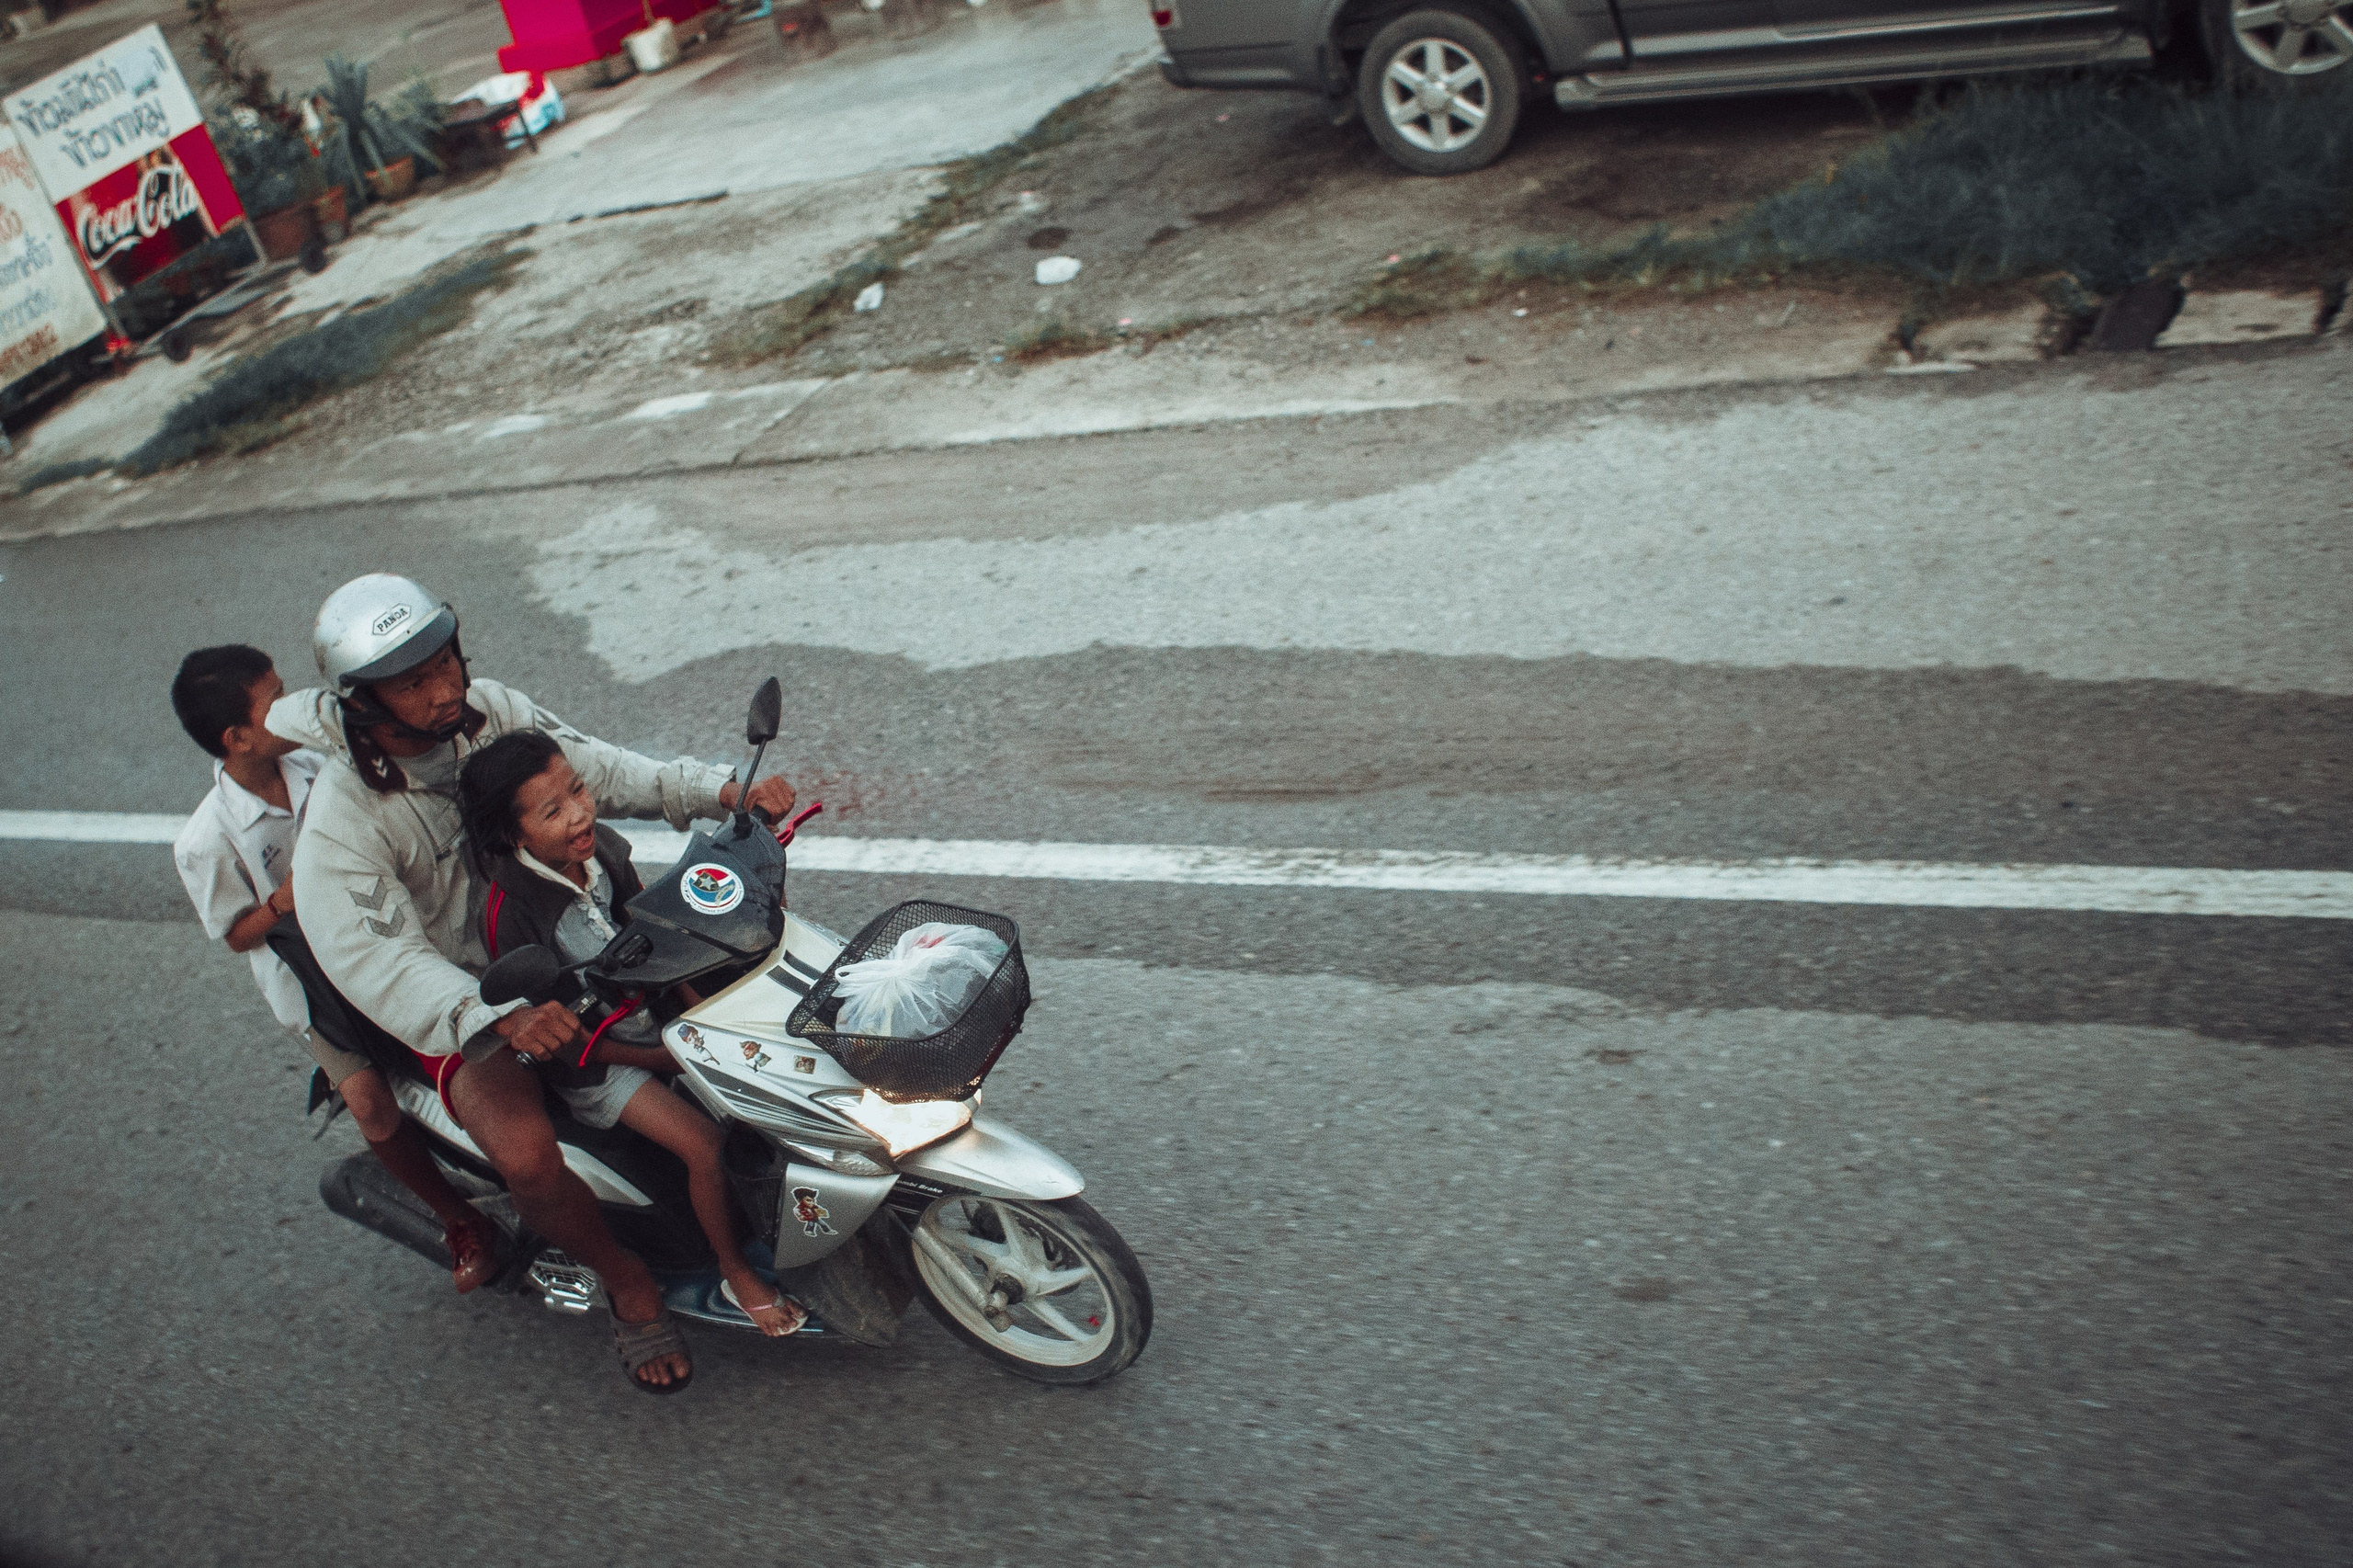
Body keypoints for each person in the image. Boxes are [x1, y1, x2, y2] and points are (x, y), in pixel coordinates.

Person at [271, 574, 798, 1393]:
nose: (445, 690)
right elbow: (379, 959)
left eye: (445, 662)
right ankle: (627, 1282)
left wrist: (720, 791)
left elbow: (592, 767)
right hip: (466, 997)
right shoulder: (344, 822)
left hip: (563, 927)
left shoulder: (491, 713)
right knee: (527, 1157)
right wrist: (489, 1016)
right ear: (365, 701)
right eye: (413, 684)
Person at [169, 644, 504, 1292]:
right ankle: (459, 1218)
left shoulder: (320, 761)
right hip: (314, 984)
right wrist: (284, 900)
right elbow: (236, 935)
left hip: (390, 932)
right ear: (237, 738)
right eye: (275, 701)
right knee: (371, 1104)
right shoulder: (205, 841)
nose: (293, 705)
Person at [458, 730, 805, 1336]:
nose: (579, 813)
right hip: (600, 1063)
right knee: (705, 1145)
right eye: (553, 811)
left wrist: (700, 1017)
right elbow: (561, 1042)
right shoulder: (512, 916)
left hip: (653, 1020)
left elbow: (656, 937)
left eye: (578, 790)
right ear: (515, 836)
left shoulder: (604, 852)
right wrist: (668, 1056)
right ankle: (734, 1271)